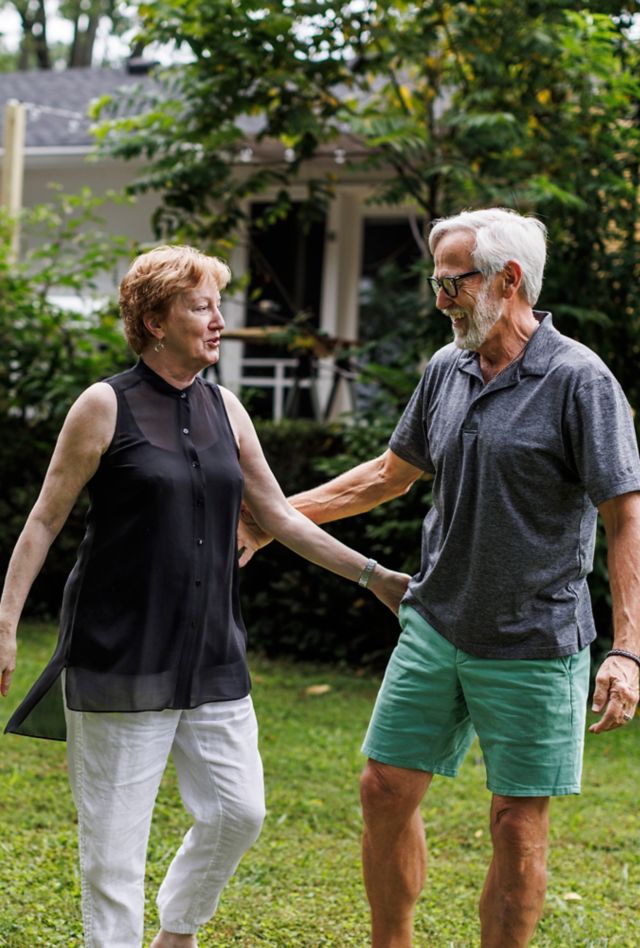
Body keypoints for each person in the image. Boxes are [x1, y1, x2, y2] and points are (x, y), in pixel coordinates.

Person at [238, 208, 640, 948]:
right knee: (383, 789)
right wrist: (273, 518)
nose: (439, 299)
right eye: (437, 281)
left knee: (516, 826)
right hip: (435, 624)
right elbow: (390, 476)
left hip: (536, 638)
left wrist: (625, 648)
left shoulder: (581, 381)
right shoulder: (445, 369)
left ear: (508, 280)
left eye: (452, 282)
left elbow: (624, 517)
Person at [0, 244, 410, 948]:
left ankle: (179, 926)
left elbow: (278, 516)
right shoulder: (104, 406)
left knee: (238, 810)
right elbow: (44, 520)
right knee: (113, 855)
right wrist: (5, 623)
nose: (220, 320)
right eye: (202, 307)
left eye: (219, 304)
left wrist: (376, 578)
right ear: (155, 321)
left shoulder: (228, 408)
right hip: (119, 656)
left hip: (212, 653)